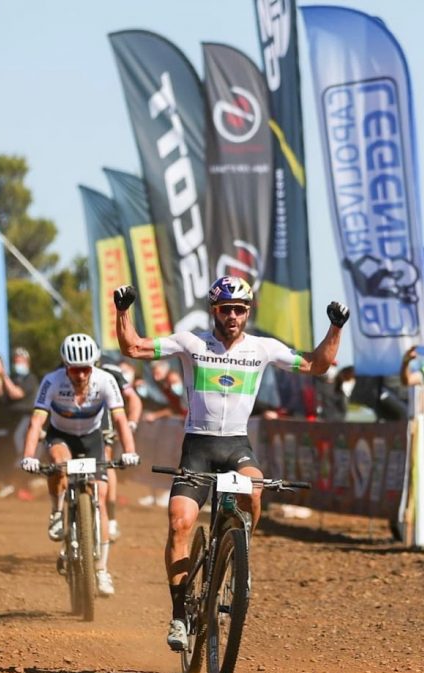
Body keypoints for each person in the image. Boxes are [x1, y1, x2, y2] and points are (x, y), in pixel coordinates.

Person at [113, 276, 349, 652]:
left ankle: (239, 558)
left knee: (254, 491)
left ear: (248, 312)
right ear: (215, 311)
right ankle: (179, 615)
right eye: (227, 309)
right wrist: (123, 311)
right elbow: (134, 348)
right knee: (179, 523)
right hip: (198, 447)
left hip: (236, 445)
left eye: (240, 309)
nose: (234, 315)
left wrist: (335, 328)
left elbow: (317, 365)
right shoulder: (192, 342)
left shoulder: (262, 348)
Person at [19, 333, 140, 597]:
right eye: (75, 369)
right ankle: (56, 513)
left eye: (86, 369)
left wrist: (130, 451)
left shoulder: (106, 380)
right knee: (59, 463)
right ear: (65, 366)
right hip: (61, 435)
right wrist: (29, 455)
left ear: (94, 365)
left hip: (91, 438)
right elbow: (37, 421)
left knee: (103, 493)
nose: (81, 375)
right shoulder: (51, 381)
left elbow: (120, 419)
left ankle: (101, 570)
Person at [99, 355, 143, 541]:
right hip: (74, 426)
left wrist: (131, 423)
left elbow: (133, 399)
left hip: (104, 426)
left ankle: (111, 517)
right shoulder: (63, 370)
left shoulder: (111, 370)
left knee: (106, 463)